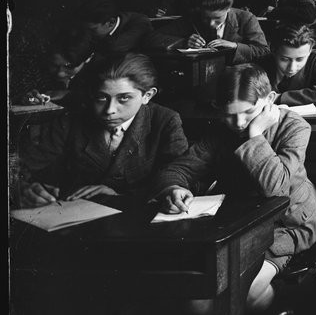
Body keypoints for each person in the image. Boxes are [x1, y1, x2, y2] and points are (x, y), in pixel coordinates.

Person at [151, 64, 316, 315]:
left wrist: (255, 136)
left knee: (238, 295)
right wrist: (175, 188)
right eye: (230, 115)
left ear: (270, 100)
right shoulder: (221, 129)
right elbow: (177, 170)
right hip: (237, 224)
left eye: (249, 112)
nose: (239, 123)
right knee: (199, 300)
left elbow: (277, 189)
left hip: (287, 224)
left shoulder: (294, 126)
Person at [15, 53, 188, 207]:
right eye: (101, 97)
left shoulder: (166, 121)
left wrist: (119, 196)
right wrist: (21, 189)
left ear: (147, 96)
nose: (109, 110)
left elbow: (177, 180)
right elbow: (22, 166)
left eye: (124, 98)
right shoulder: (70, 120)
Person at [148, 0, 269, 63]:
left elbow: (263, 51)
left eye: (217, 18)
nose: (211, 23)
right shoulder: (193, 17)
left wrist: (235, 46)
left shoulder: (246, 18)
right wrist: (184, 42)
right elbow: (152, 38)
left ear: (228, 9)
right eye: (206, 17)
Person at [258, 24, 316, 106]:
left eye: (300, 59)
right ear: (273, 51)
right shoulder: (261, 63)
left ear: (310, 50)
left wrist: (279, 98)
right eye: (285, 59)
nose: (292, 68)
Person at [77, 0, 152, 58]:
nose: (87, 34)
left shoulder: (140, 23)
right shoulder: (104, 21)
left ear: (111, 23)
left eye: (93, 30)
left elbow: (114, 48)